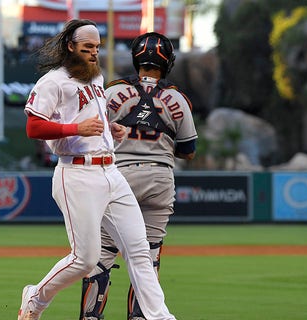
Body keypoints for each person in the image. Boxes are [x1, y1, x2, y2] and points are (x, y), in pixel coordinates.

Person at [19, 19, 175, 320]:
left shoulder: (95, 78)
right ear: (70, 46)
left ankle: (160, 316)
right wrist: (75, 128)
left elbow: (95, 115)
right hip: (76, 173)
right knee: (85, 259)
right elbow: (33, 126)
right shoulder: (53, 81)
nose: (93, 53)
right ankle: (36, 297)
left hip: (110, 171)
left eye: (96, 47)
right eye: (87, 47)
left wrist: (110, 127)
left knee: (139, 250)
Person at [79, 32, 197, 320]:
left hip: (118, 176)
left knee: (104, 251)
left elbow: (89, 132)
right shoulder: (177, 98)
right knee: (149, 255)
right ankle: (142, 316)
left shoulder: (112, 92)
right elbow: (188, 150)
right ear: (167, 61)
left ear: (136, 59)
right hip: (160, 178)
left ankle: (91, 316)